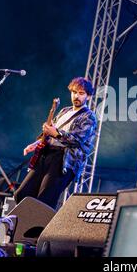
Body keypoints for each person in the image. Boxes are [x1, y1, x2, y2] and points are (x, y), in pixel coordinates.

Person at [14, 77, 97, 209]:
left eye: (81, 93)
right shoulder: (65, 110)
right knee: (22, 194)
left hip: (64, 161)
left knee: (44, 200)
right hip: (46, 154)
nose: (77, 96)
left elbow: (77, 140)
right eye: (74, 92)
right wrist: (35, 144)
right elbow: (51, 133)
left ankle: (39, 229)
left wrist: (56, 133)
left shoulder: (89, 116)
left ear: (88, 95)